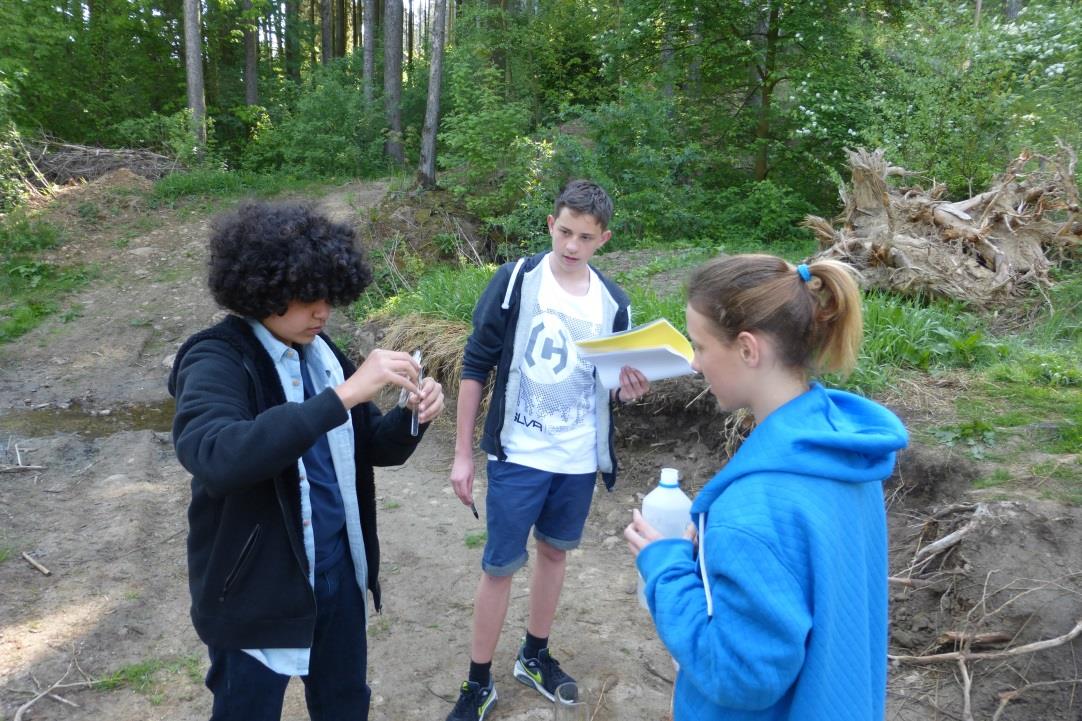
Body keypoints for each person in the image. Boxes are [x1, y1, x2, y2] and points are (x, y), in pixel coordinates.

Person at [167, 200, 445, 721]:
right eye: (307, 297)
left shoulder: (321, 352)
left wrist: (413, 414)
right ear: (263, 288)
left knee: (343, 705)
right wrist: (342, 397)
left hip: (336, 571)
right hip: (254, 592)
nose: (323, 312)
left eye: (329, 296)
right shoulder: (216, 358)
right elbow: (214, 454)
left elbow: (370, 449)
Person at [624, 254, 908, 721]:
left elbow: (739, 674)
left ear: (748, 349)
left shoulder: (752, 510)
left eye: (699, 345)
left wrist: (667, 568)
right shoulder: (844, 454)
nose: (695, 365)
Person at [445, 180, 650, 720]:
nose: (571, 246)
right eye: (564, 231)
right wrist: (464, 454)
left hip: (578, 460)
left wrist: (627, 390)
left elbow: (608, 386)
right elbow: (474, 366)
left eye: (585, 237)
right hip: (518, 454)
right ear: (550, 225)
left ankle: (534, 654)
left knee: (555, 553)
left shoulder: (614, 304)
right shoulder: (515, 281)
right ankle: (476, 681)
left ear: (604, 238)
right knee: (500, 565)